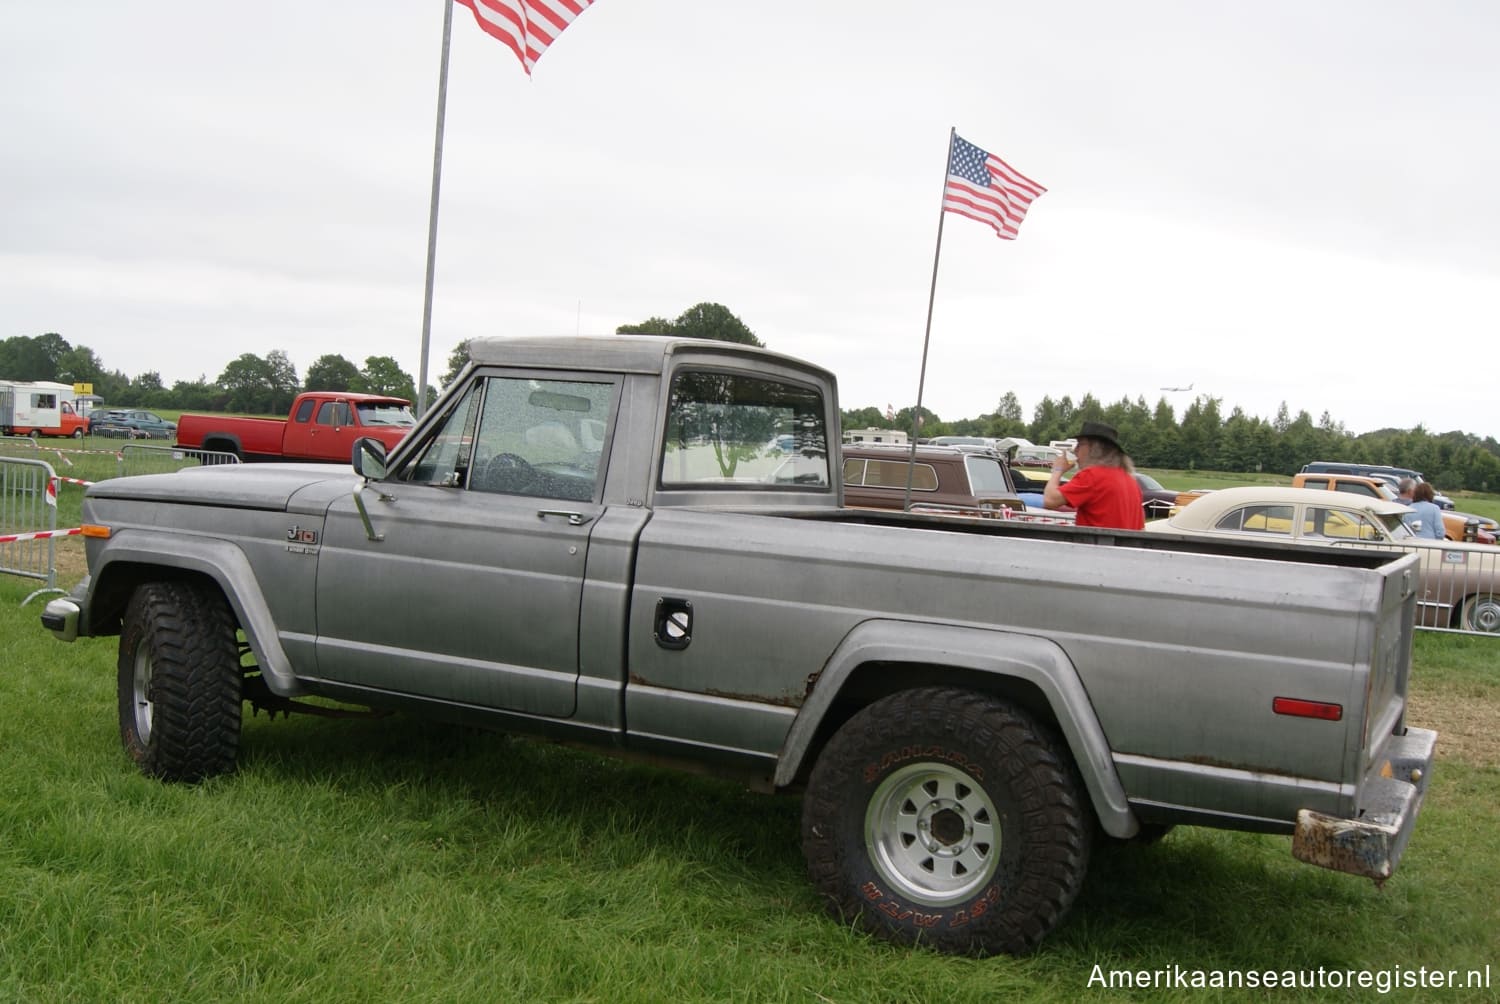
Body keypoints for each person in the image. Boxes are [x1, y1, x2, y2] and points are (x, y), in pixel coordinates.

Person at [1043, 421, 1144, 530]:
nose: (1075, 449)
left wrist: (1058, 470)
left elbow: (1050, 500)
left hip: (1097, 545)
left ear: (1096, 448)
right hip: (1126, 546)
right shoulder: (1131, 481)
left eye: (1080, 444)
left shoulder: (1092, 476)